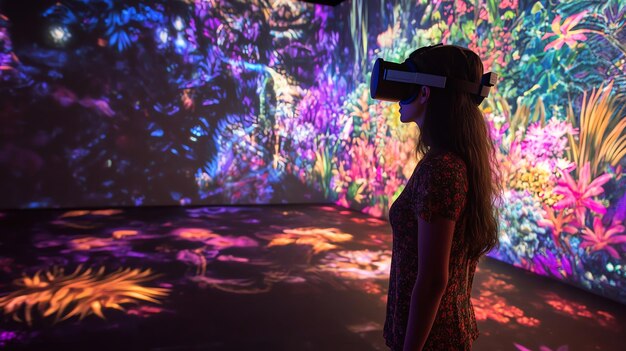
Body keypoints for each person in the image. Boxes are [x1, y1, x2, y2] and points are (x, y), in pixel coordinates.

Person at [382, 44, 502, 351]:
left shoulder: (442, 168)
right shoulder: (451, 162)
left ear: (424, 92)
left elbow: (434, 279)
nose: (397, 97)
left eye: (406, 85)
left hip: (433, 340)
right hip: (441, 335)